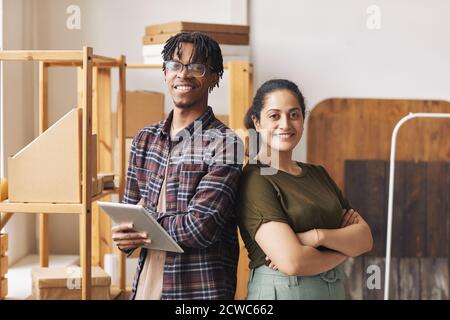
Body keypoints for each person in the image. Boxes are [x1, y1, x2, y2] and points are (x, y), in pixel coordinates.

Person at [111, 32, 243, 300]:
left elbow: (200, 228)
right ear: (165, 73)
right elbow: (128, 217)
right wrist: (125, 238)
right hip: (146, 286)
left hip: (199, 291)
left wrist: (143, 224)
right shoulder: (144, 139)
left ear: (214, 76)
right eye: (175, 65)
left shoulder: (226, 143)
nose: (184, 74)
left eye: (197, 67)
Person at [237, 79, 373, 300]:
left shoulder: (318, 174)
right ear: (257, 122)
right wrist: (345, 248)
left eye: (294, 114)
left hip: (334, 292)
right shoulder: (256, 178)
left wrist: (316, 237)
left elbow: (365, 239)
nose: (285, 124)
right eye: (274, 116)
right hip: (283, 293)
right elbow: (293, 261)